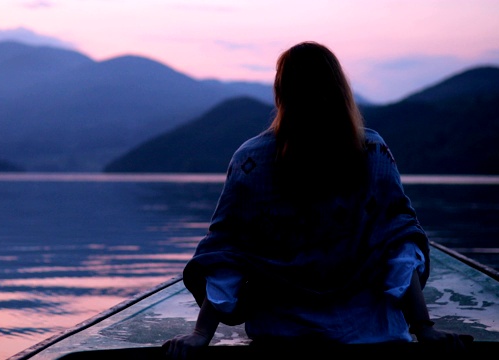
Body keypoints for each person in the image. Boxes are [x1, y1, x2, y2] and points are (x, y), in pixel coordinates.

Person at [162, 41, 473, 359]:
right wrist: (423, 327)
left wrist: (202, 334)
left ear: (281, 92)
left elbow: (227, 252)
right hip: (373, 334)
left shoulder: (250, 158)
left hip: (280, 336)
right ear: (340, 88)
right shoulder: (372, 151)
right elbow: (400, 244)